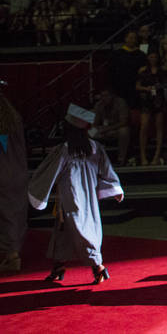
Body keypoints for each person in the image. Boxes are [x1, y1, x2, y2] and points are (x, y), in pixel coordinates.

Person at [28, 104, 124, 285]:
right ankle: (58, 267)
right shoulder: (94, 147)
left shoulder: (65, 149)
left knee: (82, 229)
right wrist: (114, 187)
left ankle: (98, 266)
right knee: (66, 232)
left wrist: (37, 190)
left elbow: (47, 172)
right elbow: (107, 171)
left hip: (72, 197)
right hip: (86, 196)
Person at [0, 81, 27, 273]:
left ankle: (11, 256)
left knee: (5, 215)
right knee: (15, 213)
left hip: (3, 171)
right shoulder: (13, 117)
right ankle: (13, 252)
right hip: (18, 171)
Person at [134, 51, 166, 166]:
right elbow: (137, 86)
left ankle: (157, 155)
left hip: (158, 99)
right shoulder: (143, 70)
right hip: (146, 99)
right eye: (151, 56)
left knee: (159, 127)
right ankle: (143, 155)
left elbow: (165, 84)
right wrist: (146, 88)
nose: (153, 59)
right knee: (144, 126)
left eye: (155, 57)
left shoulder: (162, 70)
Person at [90, 89, 130, 165]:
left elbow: (124, 122)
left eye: (106, 96)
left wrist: (107, 129)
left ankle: (121, 159)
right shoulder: (99, 104)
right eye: (102, 96)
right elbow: (95, 123)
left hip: (116, 129)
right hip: (104, 129)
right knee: (90, 132)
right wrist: (98, 129)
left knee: (124, 131)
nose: (104, 98)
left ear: (112, 96)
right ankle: (93, 159)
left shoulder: (120, 103)